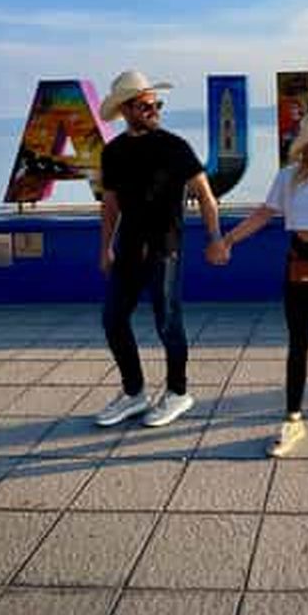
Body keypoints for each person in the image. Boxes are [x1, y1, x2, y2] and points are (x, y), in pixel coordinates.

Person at [211, 106, 308, 457]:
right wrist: (228, 240)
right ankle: (293, 417)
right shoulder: (287, 177)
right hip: (299, 259)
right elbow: (263, 214)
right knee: (298, 340)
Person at [95, 69, 227, 428]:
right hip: (128, 249)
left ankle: (178, 393)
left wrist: (215, 239)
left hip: (164, 249)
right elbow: (110, 205)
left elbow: (206, 197)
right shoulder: (114, 152)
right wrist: (105, 247)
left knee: (167, 322)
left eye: (157, 103)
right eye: (145, 105)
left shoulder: (174, 147)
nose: (154, 109)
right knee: (112, 319)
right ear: (126, 110)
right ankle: (134, 393)